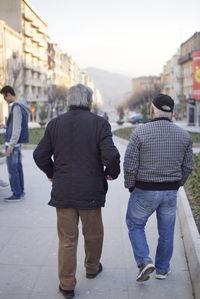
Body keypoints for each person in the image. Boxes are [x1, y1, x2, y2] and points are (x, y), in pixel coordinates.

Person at [33, 83, 120, 299]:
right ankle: (91, 268)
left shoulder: (54, 124)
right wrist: (112, 172)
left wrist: (52, 172)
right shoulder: (100, 124)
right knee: (93, 235)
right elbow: (111, 154)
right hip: (91, 190)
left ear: (69, 101)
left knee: (67, 239)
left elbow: (39, 155)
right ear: (89, 101)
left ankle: (67, 285)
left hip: (63, 192)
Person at [124, 94, 193, 282]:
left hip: (144, 190)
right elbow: (188, 166)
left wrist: (131, 186)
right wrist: (176, 184)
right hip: (170, 192)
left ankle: (145, 261)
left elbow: (130, 165)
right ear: (172, 113)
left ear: (152, 110)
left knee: (135, 224)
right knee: (167, 231)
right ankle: (162, 269)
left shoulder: (140, 133)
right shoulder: (184, 135)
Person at [0, 86, 29, 201]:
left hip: (13, 144)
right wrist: (6, 126)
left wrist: (10, 146)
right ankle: (20, 192)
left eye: (4, 97)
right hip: (17, 144)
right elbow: (16, 126)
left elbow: (17, 129)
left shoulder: (16, 107)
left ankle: (17, 193)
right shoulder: (21, 105)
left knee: (12, 170)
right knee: (17, 168)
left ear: (8, 94)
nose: (5, 99)